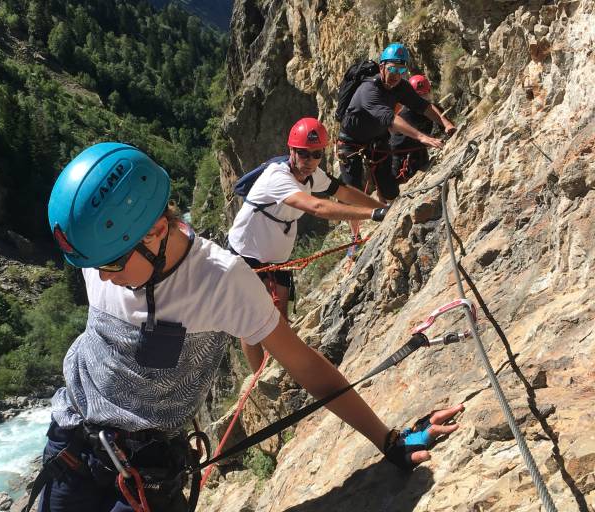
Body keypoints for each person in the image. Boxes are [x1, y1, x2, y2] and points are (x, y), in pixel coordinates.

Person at [32, 142, 464, 512]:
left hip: (143, 469)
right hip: (70, 440)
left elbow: (305, 365)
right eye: (94, 265)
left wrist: (388, 440)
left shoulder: (221, 282)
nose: (102, 277)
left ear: (156, 231)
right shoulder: (106, 249)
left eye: (110, 265)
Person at [227, 117, 389, 323]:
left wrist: (382, 208)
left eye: (316, 154)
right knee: (252, 321)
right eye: (302, 153)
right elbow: (317, 207)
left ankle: (277, 355)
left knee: (280, 317)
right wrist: (372, 214)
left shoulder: (313, 174)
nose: (309, 160)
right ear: (291, 151)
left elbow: (344, 192)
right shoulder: (277, 177)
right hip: (246, 250)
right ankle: (264, 356)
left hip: (277, 253)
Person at [336, 43, 457, 205]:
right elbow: (391, 119)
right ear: (382, 67)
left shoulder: (401, 87)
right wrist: (422, 137)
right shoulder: (369, 90)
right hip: (350, 143)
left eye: (401, 71)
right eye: (392, 69)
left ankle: (385, 211)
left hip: (377, 139)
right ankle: (355, 230)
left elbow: (423, 106)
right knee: (353, 193)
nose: (396, 75)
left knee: (390, 191)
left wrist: (446, 123)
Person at [390, 74, 454, 184]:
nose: (423, 98)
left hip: (418, 150)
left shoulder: (432, 109)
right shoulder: (405, 115)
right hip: (400, 155)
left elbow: (446, 124)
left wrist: (448, 127)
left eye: (424, 95)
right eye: (420, 95)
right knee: (395, 184)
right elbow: (411, 135)